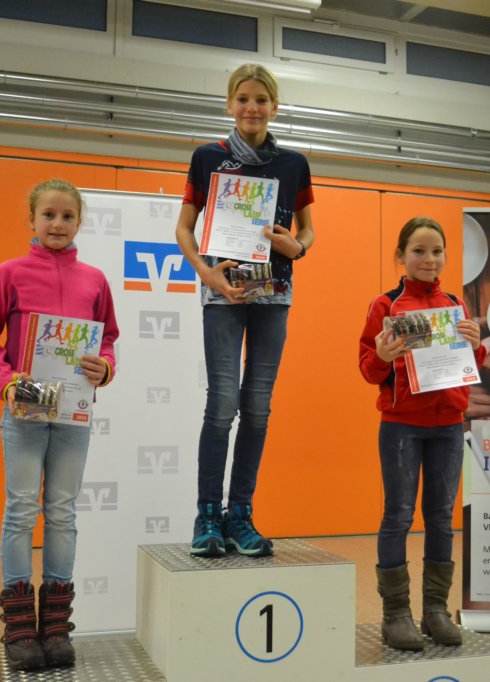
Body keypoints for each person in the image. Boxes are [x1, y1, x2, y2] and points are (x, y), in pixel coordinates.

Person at [0, 178, 118, 671]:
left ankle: (55, 628)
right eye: (49, 215)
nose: (58, 224)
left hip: (73, 415)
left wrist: (105, 367)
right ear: (31, 220)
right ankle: (19, 628)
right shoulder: (9, 274)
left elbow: (108, 339)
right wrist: (5, 382)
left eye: (67, 216)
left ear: (79, 222)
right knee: (20, 510)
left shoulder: (95, 280)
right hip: (24, 413)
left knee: (62, 512)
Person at [175, 63, 315, 558]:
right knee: (222, 404)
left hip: (274, 294)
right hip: (224, 294)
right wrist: (206, 273)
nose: (252, 108)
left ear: (274, 106)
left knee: (257, 408)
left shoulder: (294, 163)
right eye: (243, 99)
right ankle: (207, 515)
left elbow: (308, 229)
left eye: (261, 99)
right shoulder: (207, 158)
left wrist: (297, 247)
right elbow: (184, 228)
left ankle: (240, 514)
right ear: (229, 104)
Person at [358, 216, 485, 650]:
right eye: (418, 251)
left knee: (441, 518)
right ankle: (395, 615)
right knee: (398, 515)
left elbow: (468, 367)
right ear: (400, 256)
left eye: (436, 251)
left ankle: (435, 612)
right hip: (401, 427)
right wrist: (381, 355)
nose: (429, 259)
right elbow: (368, 370)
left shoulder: (455, 304)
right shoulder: (386, 305)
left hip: (448, 425)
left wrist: (476, 346)